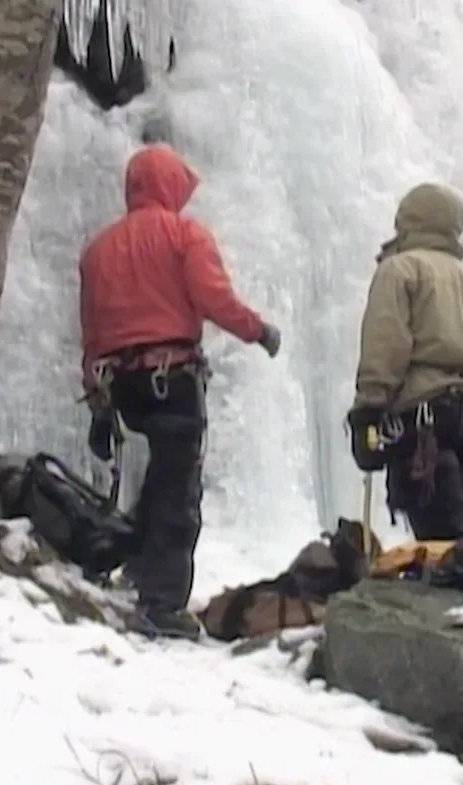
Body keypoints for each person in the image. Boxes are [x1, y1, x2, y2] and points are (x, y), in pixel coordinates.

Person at [79, 143, 281, 641]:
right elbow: (213, 298)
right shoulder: (184, 234)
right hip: (172, 378)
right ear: (170, 186)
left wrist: (99, 407)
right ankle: (162, 602)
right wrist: (258, 331)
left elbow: (92, 333)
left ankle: (132, 564)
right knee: (177, 492)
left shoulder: (97, 250)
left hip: (121, 383)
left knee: (161, 479)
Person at [347, 182, 463, 540]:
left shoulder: (401, 270)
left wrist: (368, 412)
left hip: (424, 429)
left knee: (442, 552)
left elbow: (386, 344)